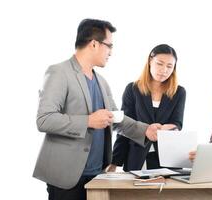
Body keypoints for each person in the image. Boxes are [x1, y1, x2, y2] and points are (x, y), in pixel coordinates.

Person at [33, 18, 160, 200]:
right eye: (109, 46)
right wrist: (88, 121)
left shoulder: (101, 82)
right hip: (66, 177)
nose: (111, 53)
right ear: (94, 44)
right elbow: (44, 119)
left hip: (97, 175)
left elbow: (116, 119)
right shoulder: (59, 72)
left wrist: (146, 130)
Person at [106, 44, 186, 172]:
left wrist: (165, 129)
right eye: (160, 64)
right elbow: (126, 127)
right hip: (137, 157)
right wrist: (115, 162)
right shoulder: (132, 89)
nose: (164, 70)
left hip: (168, 158)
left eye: (169, 66)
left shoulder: (179, 92)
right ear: (150, 61)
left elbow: (177, 123)